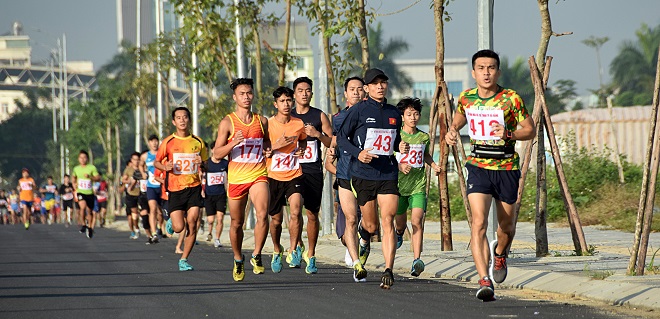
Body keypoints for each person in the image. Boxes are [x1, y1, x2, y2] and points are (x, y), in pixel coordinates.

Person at [445, 49, 535, 301]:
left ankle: (501, 254)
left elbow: (530, 130)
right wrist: (452, 131)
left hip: (506, 168)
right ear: (473, 72)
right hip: (478, 167)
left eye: (491, 68)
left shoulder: (511, 99)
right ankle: (483, 279)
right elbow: (457, 121)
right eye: (481, 68)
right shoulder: (467, 97)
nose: (486, 73)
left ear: (498, 71)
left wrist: (508, 134)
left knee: (506, 227)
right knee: (478, 222)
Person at [337, 68, 409, 289]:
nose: (380, 86)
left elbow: (394, 141)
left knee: (388, 220)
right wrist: (358, 153)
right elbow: (341, 137)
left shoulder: (393, 113)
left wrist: (400, 147)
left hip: (387, 172)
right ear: (367, 88)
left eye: (383, 82)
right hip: (363, 174)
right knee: (371, 225)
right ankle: (364, 235)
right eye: (375, 83)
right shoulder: (358, 111)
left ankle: (388, 269)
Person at [212, 78, 270, 281]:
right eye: (242, 94)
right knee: (237, 223)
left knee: (263, 214)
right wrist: (233, 143)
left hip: (258, 174)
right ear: (235, 97)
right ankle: (238, 259)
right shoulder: (228, 122)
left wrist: (269, 149)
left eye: (249, 93)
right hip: (237, 179)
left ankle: (256, 254)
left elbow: (267, 144)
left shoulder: (261, 121)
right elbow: (217, 154)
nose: (246, 97)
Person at [155, 106, 208, 271]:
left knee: (192, 222)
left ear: (189, 119)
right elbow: (156, 162)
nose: (182, 120)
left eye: (185, 117)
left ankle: (184, 259)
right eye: (179, 118)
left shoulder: (198, 142)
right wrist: (165, 167)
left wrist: (202, 164)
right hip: (176, 190)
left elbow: (206, 164)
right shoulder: (168, 142)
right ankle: (172, 220)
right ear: (174, 121)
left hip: (193, 188)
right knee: (179, 228)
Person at [394, 97, 442, 277]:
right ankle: (399, 233)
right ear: (402, 117)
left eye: (416, 114)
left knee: (416, 221)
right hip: (398, 187)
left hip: (418, 186)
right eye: (409, 114)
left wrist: (434, 165)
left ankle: (417, 260)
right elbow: (389, 157)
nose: (413, 117)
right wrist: (400, 165)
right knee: (400, 223)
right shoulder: (396, 136)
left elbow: (426, 155)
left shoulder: (424, 137)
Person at [290, 76, 333, 271]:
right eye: (300, 90)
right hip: (292, 170)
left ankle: (311, 253)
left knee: (312, 214)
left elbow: (331, 142)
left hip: (313, 170)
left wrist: (317, 135)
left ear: (312, 93)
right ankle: (296, 248)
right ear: (294, 94)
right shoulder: (287, 117)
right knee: (295, 211)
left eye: (307, 90)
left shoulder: (319, 116)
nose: (304, 94)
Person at [264, 87, 307, 274]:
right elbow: (262, 150)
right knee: (276, 220)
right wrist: (276, 146)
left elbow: (303, 140)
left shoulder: (298, 123)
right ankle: (276, 249)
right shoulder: (268, 125)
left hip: (294, 173)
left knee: (296, 210)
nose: (287, 104)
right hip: (273, 176)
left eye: (289, 100)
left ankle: (293, 250)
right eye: (282, 101)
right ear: (276, 104)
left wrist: (301, 149)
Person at [324, 76, 365, 271]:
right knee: (350, 220)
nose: (356, 92)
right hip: (346, 176)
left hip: (368, 176)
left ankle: (361, 244)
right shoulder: (338, 119)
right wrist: (333, 157)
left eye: (360, 88)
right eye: (352, 89)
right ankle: (354, 256)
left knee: (369, 224)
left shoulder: (371, 115)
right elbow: (332, 149)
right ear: (346, 94)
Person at [204, 141, 228, 248]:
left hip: (221, 194)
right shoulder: (206, 164)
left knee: (220, 217)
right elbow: (201, 176)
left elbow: (229, 176)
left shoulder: (225, 163)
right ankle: (209, 232)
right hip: (209, 195)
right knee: (210, 220)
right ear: (212, 150)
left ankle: (217, 239)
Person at [72, 150, 101, 238]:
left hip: (90, 193)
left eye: (84, 158)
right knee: (82, 207)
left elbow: (98, 178)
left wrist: (90, 177)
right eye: (81, 158)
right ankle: (84, 224)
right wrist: (74, 186)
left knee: (89, 211)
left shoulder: (91, 168)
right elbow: (73, 178)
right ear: (78, 159)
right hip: (81, 191)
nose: (83, 159)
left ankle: (90, 228)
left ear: (87, 159)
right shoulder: (76, 169)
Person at [141, 134, 163, 242]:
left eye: (156, 141)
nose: (154, 143)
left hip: (162, 185)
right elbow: (141, 164)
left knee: (161, 212)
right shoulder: (145, 156)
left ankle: (161, 228)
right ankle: (154, 233)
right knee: (153, 208)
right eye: (152, 141)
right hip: (151, 186)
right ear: (149, 143)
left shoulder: (162, 153)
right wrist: (143, 173)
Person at [122, 153, 142, 239]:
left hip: (142, 193)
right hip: (131, 193)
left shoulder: (143, 169)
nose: (136, 161)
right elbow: (123, 179)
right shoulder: (128, 170)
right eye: (134, 159)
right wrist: (130, 181)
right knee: (133, 213)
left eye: (138, 159)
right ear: (131, 160)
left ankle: (138, 226)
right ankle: (134, 229)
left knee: (140, 212)